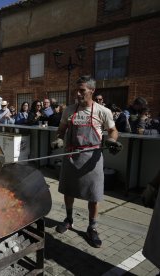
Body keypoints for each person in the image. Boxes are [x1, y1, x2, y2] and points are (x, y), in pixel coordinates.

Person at [51, 75, 122, 248]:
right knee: (69, 191)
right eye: (78, 90)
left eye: (82, 90)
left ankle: (92, 227)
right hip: (71, 156)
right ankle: (69, 219)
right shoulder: (69, 110)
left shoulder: (102, 111)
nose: (78, 93)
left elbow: (113, 131)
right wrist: (59, 139)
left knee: (93, 195)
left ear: (92, 90)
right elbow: (61, 130)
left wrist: (111, 141)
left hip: (92, 158)